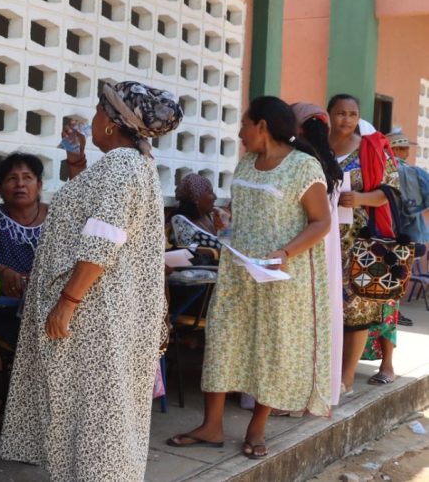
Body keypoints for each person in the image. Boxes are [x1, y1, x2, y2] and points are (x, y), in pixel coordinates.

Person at [0, 81, 182, 480]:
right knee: (93, 417)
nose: (94, 119)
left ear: (113, 123)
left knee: (94, 418)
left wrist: (67, 303)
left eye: (99, 111)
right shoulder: (131, 165)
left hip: (94, 318)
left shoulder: (121, 168)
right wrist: (77, 161)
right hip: (102, 315)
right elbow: (95, 214)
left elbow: (103, 240)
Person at [169, 96, 332, 459]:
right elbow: (245, 208)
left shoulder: (303, 167)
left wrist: (285, 253)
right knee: (223, 341)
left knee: (269, 348)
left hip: (277, 275)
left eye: (244, 125)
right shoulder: (245, 163)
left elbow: (322, 221)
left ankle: (257, 428)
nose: (240, 133)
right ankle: (211, 426)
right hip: (238, 270)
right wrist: (227, 216)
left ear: (262, 125)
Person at [327, 94, 401, 391]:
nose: (346, 119)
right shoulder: (316, 148)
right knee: (323, 307)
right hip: (321, 239)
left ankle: (345, 378)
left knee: (357, 309)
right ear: (329, 114)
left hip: (360, 243)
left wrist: (360, 198)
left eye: (352, 114)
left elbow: (390, 192)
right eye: (340, 113)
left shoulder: (371, 149)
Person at [292, 102, 348, 407]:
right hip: (326, 247)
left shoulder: (300, 163)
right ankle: (314, 389)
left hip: (303, 242)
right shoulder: (330, 164)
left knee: (297, 320)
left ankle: (291, 392)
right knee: (320, 319)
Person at [0, 152, 47, 347]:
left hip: (47, 305)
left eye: (27, 177)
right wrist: (2, 271)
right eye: (12, 179)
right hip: (5, 306)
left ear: (39, 185)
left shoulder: (54, 215)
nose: (20, 184)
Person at [170, 173, 227, 253]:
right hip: (205, 261)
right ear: (196, 198)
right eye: (210, 193)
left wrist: (224, 223)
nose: (215, 197)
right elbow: (186, 248)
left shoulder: (210, 216)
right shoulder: (180, 220)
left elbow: (229, 243)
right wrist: (217, 252)